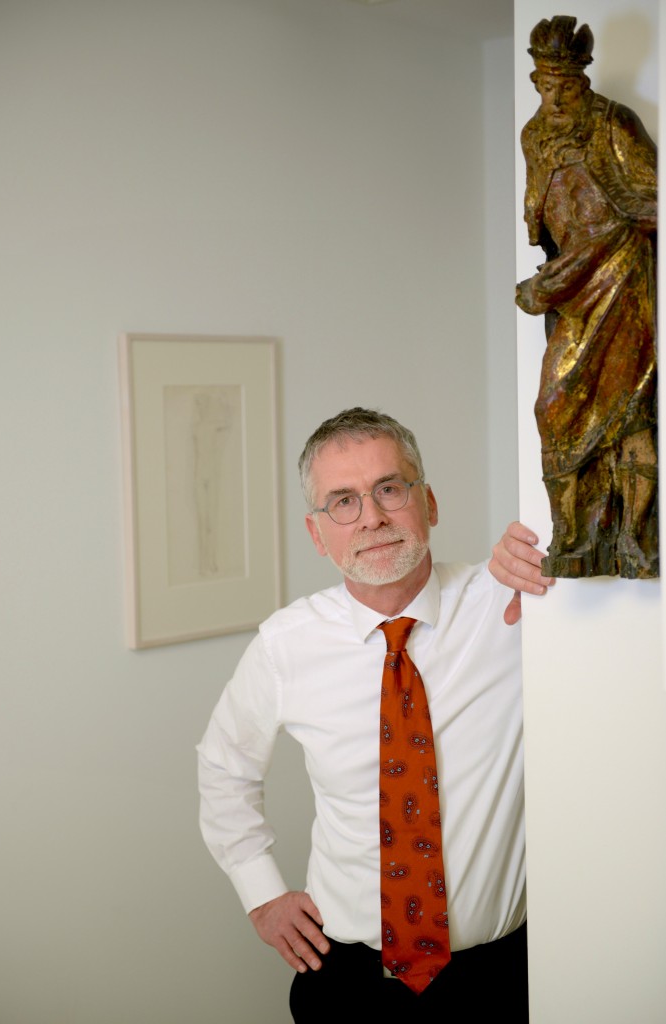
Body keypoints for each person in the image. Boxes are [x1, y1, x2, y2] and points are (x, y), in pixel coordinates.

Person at [197, 408, 551, 1022]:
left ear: (429, 503)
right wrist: (263, 896)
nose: (372, 517)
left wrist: (554, 561)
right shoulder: (286, 645)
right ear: (317, 534)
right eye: (343, 501)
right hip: (347, 982)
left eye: (390, 488)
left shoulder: (514, 607)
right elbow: (223, 770)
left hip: (501, 978)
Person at [516, 15, 658, 580]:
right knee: (554, 410)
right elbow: (546, 219)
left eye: (564, 87)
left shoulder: (612, 124)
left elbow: (646, 202)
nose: (552, 98)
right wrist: (552, 279)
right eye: (542, 85)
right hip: (569, 290)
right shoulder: (534, 133)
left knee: (629, 415)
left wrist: (569, 271)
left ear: (583, 79)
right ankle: (574, 538)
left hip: (622, 280)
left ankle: (634, 539)